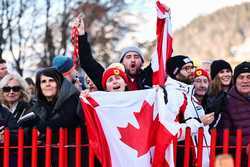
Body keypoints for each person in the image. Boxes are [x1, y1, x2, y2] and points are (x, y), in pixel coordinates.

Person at [18, 67, 88, 167]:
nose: (47, 84)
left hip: (75, 158)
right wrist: (31, 132)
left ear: (59, 83)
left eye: (51, 80)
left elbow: (65, 120)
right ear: (39, 86)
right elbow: (23, 126)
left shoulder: (73, 98)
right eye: (43, 81)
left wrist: (39, 127)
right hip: (49, 160)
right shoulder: (37, 106)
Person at [73, 16, 152, 91]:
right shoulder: (109, 76)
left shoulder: (149, 77)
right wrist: (81, 35)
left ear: (142, 62)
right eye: (128, 57)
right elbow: (87, 62)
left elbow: (161, 59)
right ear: (122, 62)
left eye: (136, 57)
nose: (132, 60)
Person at [164, 55, 210, 166]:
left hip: (198, 159)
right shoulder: (172, 94)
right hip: (182, 157)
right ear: (175, 72)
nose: (191, 71)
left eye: (192, 67)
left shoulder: (189, 93)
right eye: (186, 68)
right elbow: (170, 131)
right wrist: (199, 123)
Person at [218, 61, 250, 166]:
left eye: (249, 77)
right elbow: (223, 135)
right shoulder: (227, 102)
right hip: (241, 159)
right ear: (235, 80)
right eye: (241, 77)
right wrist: (246, 143)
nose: (245, 81)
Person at [206, 59, 233, 129]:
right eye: (221, 72)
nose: (226, 74)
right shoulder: (208, 95)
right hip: (215, 135)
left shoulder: (237, 92)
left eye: (228, 71)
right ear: (215, 76)